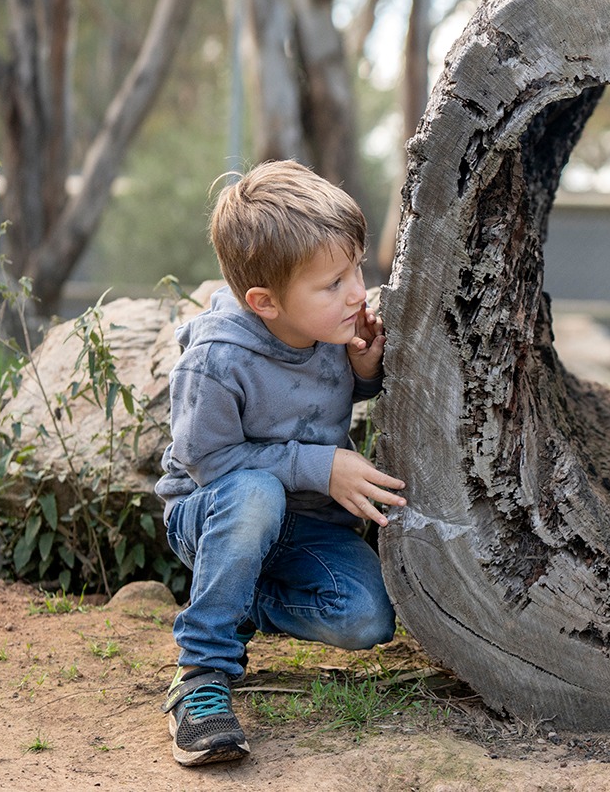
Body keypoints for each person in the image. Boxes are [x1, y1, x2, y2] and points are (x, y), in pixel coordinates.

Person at [153, 160, 405, 766]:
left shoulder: (326, 331)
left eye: (356, 270)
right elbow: (212, 464)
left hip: (306, 524)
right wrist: (321, 468)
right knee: (256, 493)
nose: (356, 292)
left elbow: (330, 401)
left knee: (369, 618)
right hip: (215, 511)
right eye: (332, 283)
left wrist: (364, 369)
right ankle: (203, 674)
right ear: (264, 302)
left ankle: (238, 597)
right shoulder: (216, 361)